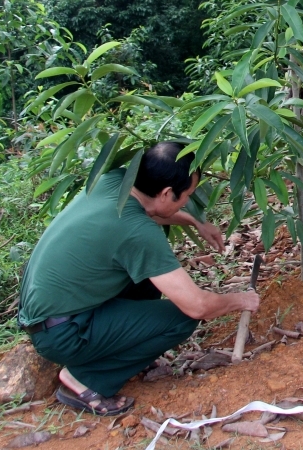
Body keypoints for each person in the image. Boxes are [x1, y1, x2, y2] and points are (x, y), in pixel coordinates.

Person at [18, 142, 260, 415]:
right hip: (64, 334)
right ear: (167, 193)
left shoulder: (114, 181)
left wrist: (196, 221)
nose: (187, 202)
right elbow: (197, 306)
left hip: (47, 315)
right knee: (182, 318)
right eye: (187, 195)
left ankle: (123, 345)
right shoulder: (137, 232)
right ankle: (85, 379)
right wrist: (241, 300)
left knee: (147, 276)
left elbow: (150, 211)